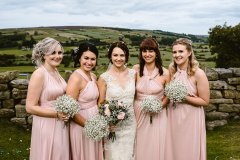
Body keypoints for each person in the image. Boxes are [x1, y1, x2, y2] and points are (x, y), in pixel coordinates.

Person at [165, 38, 210, 160]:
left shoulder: (198, 74)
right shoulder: (172, 72)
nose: (177, 55)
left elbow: (205, 101)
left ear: (189, 52)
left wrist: (184, 98)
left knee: (188, 150)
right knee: (174, 149)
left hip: (191, 118)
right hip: (173, 117)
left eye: (181, 51)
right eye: (174, 52)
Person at [26, 37, 70, 160]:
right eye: (53, 53)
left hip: (61, 122)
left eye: (60, 52)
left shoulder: (56, 72)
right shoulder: (39, 74)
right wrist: (56, 114)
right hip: (46, 124)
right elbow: (30, 107)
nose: (58, 56)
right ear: (44, 55)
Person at [97, 41, 136, 160]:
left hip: (130, 124)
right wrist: (109, 120)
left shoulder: (134, 74)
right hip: (113, 126)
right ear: (110, 56)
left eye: (122, 55)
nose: (118, 58)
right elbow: (101, 103)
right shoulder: (104, 78)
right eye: (115, 55)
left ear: (126, 57)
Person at [133, 38, 170, 160]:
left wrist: (158, 107)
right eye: (144, 51)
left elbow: (168, 96)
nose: (147, 54)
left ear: (156, 53)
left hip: (158, 113)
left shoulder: (165, 73)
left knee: (156, 144)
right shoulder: (135, 70)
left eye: (151, 51)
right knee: (140, 144)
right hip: (138, 112)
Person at [66, 42, 103, 160]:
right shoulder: (75, 78)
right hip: (81, 124)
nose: (89, 62)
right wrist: (89, 126)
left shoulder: (93, 76)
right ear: (79, 58)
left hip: (95, 120)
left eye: (93, 59)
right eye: (86, 58)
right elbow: (70, 110)